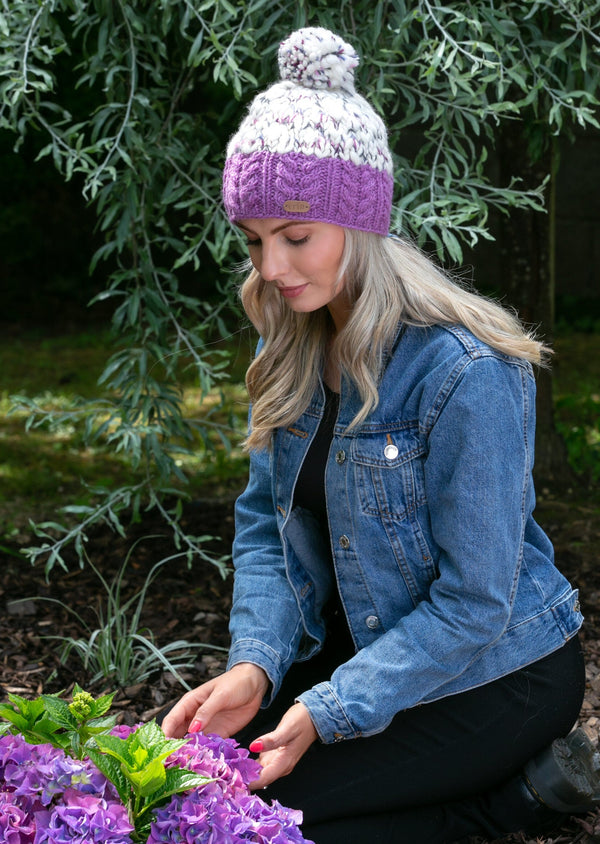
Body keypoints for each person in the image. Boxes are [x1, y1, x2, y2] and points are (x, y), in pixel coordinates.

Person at [162, 26, 600, 843]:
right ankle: (501, 795)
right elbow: (266, 526)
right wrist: (256, 663)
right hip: (376, 650)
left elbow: (474, 605)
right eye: (255, 242)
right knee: (208, 800)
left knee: (272, 824)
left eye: (296, 238)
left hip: (503, 670)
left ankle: (514, 800)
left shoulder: (466, 370)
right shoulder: (286, 341)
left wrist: (327, 708)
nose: (272, 269)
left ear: (360, 224)